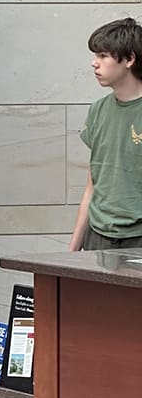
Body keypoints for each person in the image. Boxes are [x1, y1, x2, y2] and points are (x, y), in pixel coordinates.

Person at [69, 17, 142, 251]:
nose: (94, 64)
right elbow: (92, 186)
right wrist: (72, 252)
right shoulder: (98, 110)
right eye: (95, 55)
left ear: (129, 59)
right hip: (97, 238)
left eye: (103, 56)